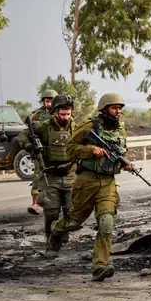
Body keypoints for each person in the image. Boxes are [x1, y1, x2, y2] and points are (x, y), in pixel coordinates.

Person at [49, 93, 132, 282]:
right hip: (86, 181)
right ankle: (57, 230)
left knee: (106, 223)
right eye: (114, 108)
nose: (118, 111)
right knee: (74, 222)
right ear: (104, 109)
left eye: (120, 108)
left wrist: (126, 164)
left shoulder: (121, 129)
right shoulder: (88, 126)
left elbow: (121, 153)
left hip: (108, 183)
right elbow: (70, 148)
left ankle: (99, 266)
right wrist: (90, 150)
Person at [17, 95, 76, 250]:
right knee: (51, 213)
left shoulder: (75, 128)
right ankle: (52, 242)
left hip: (71, 175)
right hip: (50, 176)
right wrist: (31, 147)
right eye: (62, 114)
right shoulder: (44, 127)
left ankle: (62, 234)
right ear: (55, 113)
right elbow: (22, 135)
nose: (66, 117)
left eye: (68, 114)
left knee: (71, 211)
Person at [26, 89, 59, 215]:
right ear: (43, 101)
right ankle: (35, 203)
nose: (49, 104)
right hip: (41, 150)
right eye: (47, 101)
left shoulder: (61, 113)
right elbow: (28, 132)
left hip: (57, 152)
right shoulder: (36, 115)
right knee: (37, 177)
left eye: (52, 101)